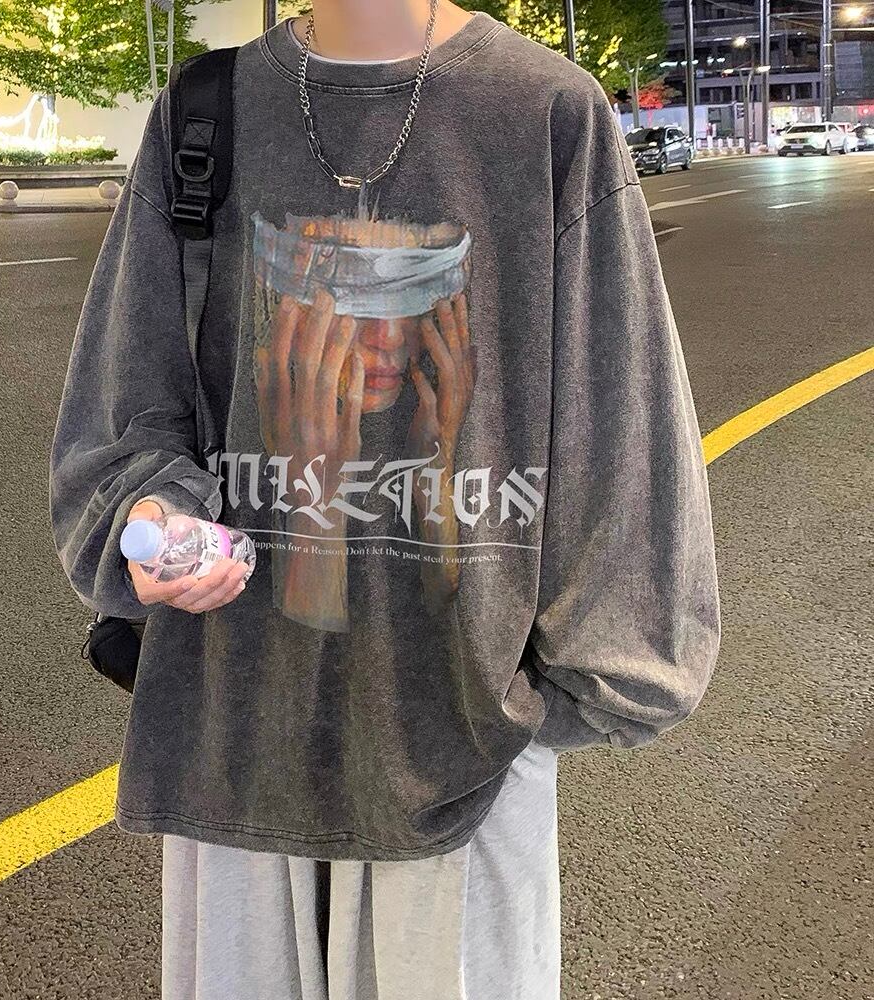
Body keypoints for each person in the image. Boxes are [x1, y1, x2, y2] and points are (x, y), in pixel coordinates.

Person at [48, 1, 721, 997]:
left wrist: (562, 683)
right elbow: (127, 409)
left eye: (403, 305)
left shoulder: (545, 112)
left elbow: (619, 433)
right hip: (234, 739)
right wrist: (149, 515)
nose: (366, 342)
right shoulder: (205, 110)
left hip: (463, 751)